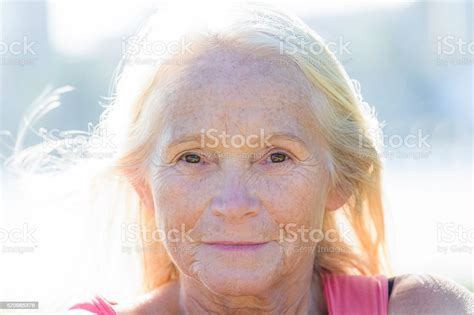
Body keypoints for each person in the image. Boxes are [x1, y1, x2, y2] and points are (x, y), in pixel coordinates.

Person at [56, 2, 472, 314]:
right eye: (193, 158)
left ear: (340, 178)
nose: (234, 205)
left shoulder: (421, 308)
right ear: (143, 183)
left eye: (276, 156)